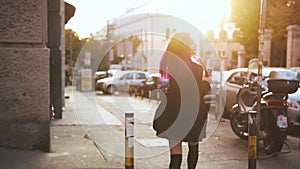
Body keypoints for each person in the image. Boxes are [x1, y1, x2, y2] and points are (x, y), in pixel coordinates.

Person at [153, 32, 211, 169]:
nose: (193, 44)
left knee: (175, 155)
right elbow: (196, 91)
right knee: (193, 147)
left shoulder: (171, 64)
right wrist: (207, 82)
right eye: (190, 42)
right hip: (193, 112)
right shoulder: (196, 67)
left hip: (173, 112)